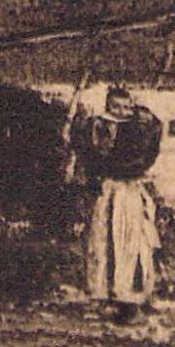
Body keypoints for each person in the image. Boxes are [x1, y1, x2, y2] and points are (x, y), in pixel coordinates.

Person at [70, 86, 164, 323]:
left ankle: (128, 298)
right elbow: (92, 156)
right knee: (103, 241)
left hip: (129, 190)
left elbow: (147, 151)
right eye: (116, 107)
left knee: (130, 242)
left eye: (126, 107)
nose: (122, 112)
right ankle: (103, 294)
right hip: (109, 189)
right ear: (108, 106)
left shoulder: (138, 128)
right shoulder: (99, 128)